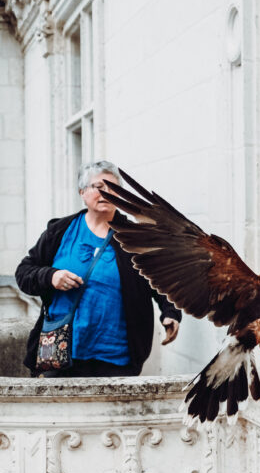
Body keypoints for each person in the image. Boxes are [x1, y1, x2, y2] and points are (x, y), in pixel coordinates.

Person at [16, 161, 182, 377]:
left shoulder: (135, 237)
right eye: (99, 187)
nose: (107, 193)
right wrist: (51, 276)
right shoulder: (61, 231)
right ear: (82, 192)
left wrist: (171, 313)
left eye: (114, 188)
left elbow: (160, 280)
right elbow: (24, 271)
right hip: (60, 351)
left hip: (116, 355)